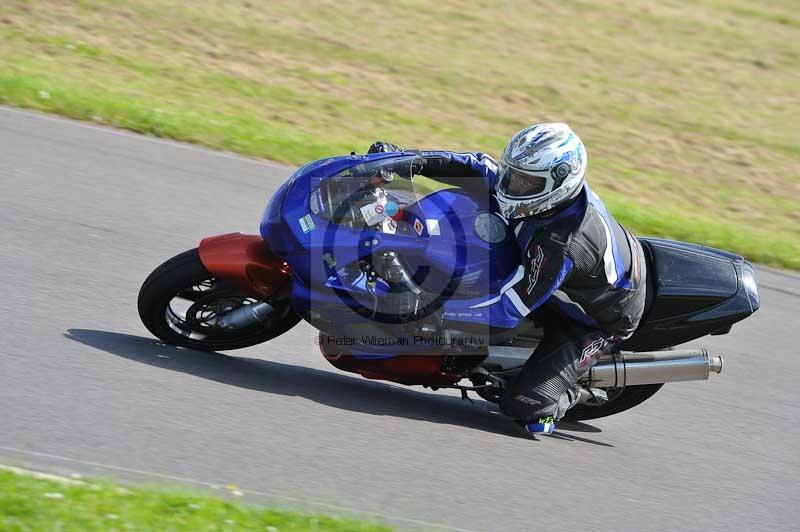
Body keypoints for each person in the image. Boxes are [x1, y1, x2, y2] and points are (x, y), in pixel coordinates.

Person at [367, 123, 647, 436]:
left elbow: (507, 308)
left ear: (558, 184)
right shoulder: (531, 193)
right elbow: (474, 166)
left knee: (528, 409)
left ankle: (570, 391)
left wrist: (432, 310)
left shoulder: (559, 245)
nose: (512, 184)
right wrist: (407, 160)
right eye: (513, 173)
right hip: (565, 270)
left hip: (599, 316)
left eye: (525, 181)